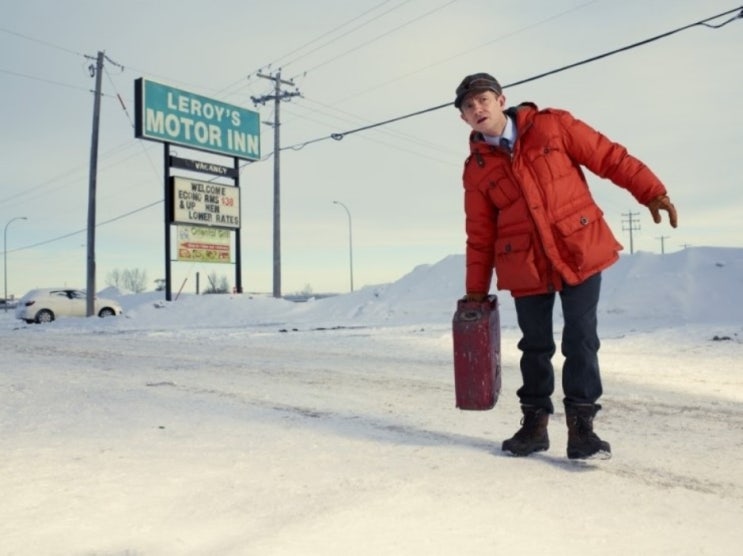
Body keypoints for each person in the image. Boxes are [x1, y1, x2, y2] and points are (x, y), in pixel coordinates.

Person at [455, 72, 678, 460]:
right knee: (535, 346)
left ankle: (582, 429)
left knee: (581, 338)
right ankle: (534, 425)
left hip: (579, 247)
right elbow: (479, 234)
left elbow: (608, 156)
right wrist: (476, 289)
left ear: (501, 99)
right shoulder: (476, 168)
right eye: (468, 106)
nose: (478, 109)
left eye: (483, 100)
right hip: (523, 262)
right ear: (463, 118)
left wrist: (651, 190)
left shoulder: (552, 125)